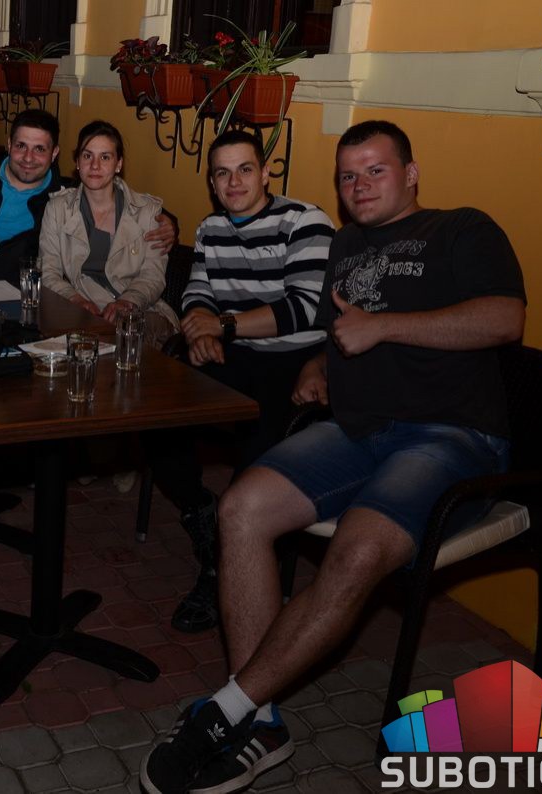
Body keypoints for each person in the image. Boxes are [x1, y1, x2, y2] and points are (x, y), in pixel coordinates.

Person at [140, 120, 526, 793]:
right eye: (349, 175)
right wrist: (320, 363)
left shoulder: (462, 228)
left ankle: (227, 710)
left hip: (449, 435)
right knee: (241, 507)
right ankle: (263, 720)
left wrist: (384, 328)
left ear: (411, 173)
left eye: (376, 170)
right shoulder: (346, 244)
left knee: (355, 548)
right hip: (356, 428)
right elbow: (337, 326)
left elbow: (504, 319)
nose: (360, 185)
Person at [145, 130, 334, 634]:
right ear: (211, 182)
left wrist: (222, 326)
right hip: (234, 353)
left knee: (253, 465)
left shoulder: (305, 221)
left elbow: (304, 308)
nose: (234, 182)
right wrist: (200, 329)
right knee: (153, 412)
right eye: (222, 173)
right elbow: (197, 292)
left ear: (266, 172)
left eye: (245, 169)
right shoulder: (210, 228)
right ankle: (201, 515)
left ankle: (222, 567)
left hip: (293, 362)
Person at [0, 109, 177, 288]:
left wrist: (169, 221)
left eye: (39, 149)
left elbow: (120, 200)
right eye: (21, 146)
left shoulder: (60, 198)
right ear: (8, 145)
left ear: (54, 154)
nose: (28, 158)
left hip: (13, 298)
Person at [38, 120, 179, 340]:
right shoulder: (58, 209)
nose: (95, 166)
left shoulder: (147, 212)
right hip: (82, 313)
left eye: (105, 157)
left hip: (140, 312)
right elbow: (48, 272)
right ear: (77, 162)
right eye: (87, 156)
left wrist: (128, 301)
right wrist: (74, 300)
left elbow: (153, 275)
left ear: (118, 164)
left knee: (124, 333)